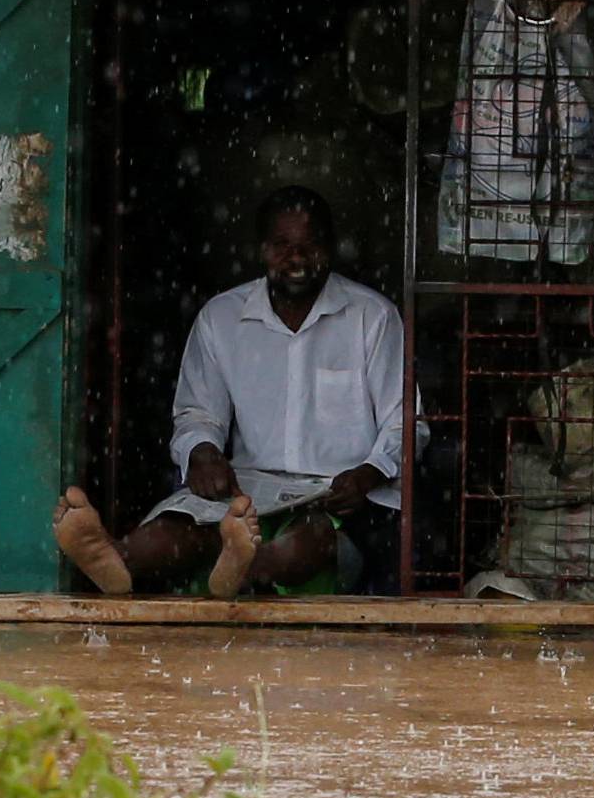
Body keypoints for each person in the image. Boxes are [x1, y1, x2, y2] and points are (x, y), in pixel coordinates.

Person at [54, 186, 421, 600]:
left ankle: (239, 565)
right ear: (261, 249)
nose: (296, 259)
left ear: (331, 247)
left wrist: (369, 473)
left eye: (309, 245)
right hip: (248, 491)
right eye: (282, 245)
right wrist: (202, 451)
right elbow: (196, 414)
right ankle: (116, 560)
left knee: (294, 550)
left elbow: (405, 422)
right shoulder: (221, 317)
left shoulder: (371, 317)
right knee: (168, 535)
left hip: (339, 496)